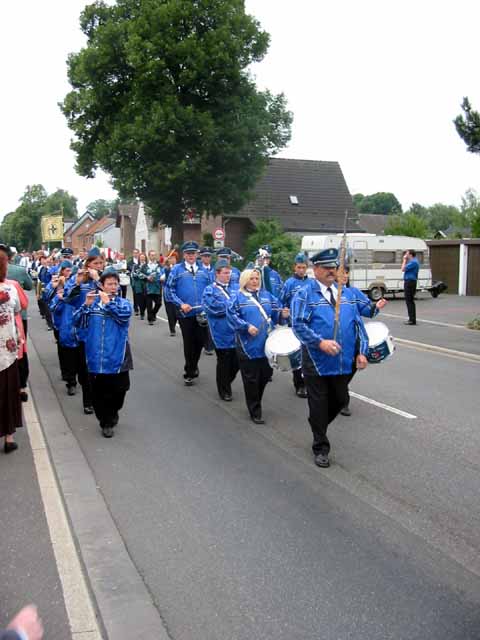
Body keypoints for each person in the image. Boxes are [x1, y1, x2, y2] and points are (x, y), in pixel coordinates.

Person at [291, 248, 369, 468]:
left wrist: (362, 351)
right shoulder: (304, 294)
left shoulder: (345, 294)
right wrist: (320, 342)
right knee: (318, 402)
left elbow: (358, 324)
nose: (331, 271)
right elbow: (298, 325)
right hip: (316, 360)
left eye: (333, 268)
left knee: (341, 399)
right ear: (315, 269)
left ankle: (318, 422)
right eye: (326, 268)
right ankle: (320, 447)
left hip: (342, 361)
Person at [73, 269, 133, 438]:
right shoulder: (92, 305)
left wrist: (108, 304)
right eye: (109, 284)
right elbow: (77, 321)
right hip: (96, 356)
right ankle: (105, 421)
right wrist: (86, 305)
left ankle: (114, 411)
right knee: (99, 393)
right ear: (101, 286)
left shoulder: (123, 303)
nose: (113, 287)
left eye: (115, 284)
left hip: (118, 354)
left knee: (120, 389)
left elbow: (123, 316)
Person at [227, 268, 289, 424]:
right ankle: (255, 409)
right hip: (248, 345)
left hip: (267, 344)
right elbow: (231, 315)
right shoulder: (238, 297)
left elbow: (277, 311)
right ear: (245, 280)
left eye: (257, 278)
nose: (255, 281)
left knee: (265, 375)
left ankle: (256, 400)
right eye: (252, 278)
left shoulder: (267, 295)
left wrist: (283, 314)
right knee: (251, 379)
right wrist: (246, 326)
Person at [337, 264, 387, 416]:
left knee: (347, 373)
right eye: (342, 273)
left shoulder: (353, 293)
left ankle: (341, 400)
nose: (345, 276)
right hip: (334, 342)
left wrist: (376, 306)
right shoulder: (327, 293)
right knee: (336, 375)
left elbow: (367, 311)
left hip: (353, 342)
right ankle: (341, 401)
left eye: (347, 273)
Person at [62, 247, 104, 414]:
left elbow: (114, 298)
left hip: (101, 329)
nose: (99, 266)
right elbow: (68, 299)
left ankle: (99, 398)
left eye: (101, 263)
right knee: (85, 369)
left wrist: (99, 280)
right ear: (88, 264)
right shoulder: (78, 278)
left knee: (99, 370)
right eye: (95, 263)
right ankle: (88, 401)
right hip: (83, 330)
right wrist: (78, 283)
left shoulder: (104, 278)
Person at [165, 241, 211, 385]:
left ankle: (193, 365)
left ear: (197, 254)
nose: (191, 256)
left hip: (202, 314)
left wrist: (208, 305)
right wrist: (181, 304)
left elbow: (211, 290)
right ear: (184, 255)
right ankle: (189, 371)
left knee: (199, 342)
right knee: (189, 343)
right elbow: (168, 290)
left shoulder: (205, 271)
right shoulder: (177, 270)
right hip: (186, 314)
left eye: (193, 253)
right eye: (188, 253)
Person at [202, 259, 239, 401]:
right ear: (217, 274)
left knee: (236, 362)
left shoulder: (236, 287)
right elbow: (213, 308)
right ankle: (224, 390)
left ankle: (225, 381)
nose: (228, 275)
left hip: (236, 331)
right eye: (225, 273)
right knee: (224, 361)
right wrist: (232, 307)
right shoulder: (210, 290)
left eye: (229, 273)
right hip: (220, 332)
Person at [279, 252, 312, 398]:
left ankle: (309, 382)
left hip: (310, 325)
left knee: (310, 355)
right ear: (295, 267)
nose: (301, 270)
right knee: (298, 355)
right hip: (295, 325)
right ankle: (299, 384)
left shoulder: (312, 283)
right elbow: (282, 301)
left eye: (304, 267)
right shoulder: (289, 283)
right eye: (299, 267)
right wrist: (284, 314)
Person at [0, 252, 22, 454]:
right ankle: (8, 437)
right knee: (7, 392)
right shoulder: (9, 289)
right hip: (6, 350)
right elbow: (17, 308)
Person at [141, 250, 163, 325]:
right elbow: (140, 274)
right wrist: (147, 277)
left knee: (159, 303)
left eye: (154, 255)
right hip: (148, 288)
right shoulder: (145, 266)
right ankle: (150, 319)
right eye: (151, 255)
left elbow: (162, 273)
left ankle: (153, 313)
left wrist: (161, 278)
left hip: (157, 287)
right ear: (149, 256)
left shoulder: (159, 265)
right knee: (149, 304)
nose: (153, 256)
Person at [161, 255, 178, 336]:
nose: (172, 260)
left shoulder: (179, 268)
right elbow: (160, 277)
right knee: (170, 312)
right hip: (167, 293)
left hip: (178, 294)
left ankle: (174, 324)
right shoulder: (165, 269)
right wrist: (162, 277)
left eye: (174, 258)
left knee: (176, 313)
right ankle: (172, 329)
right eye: (171, 258)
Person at [402, 249, 419, 325]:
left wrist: (404, 260)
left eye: (407, 253)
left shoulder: (413, 262)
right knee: (409, 301)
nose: (406, 254)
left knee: (409, 301)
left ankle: (412, 320)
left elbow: (403, 269)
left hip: (410, 282)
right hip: (410, 282)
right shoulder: (413, 261)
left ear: (411, 255)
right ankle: (411, 318)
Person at [130, 252, 148, 319]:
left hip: (146, 284)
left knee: (146, 299)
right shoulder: (135, 266)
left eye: (143, 257)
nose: (142, 259)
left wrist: (144, 276)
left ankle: (144, 309)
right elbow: (133, 275)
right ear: (139, 258)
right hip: (138, 285)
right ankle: (142, 313)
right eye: (141, 257)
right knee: (139, 299)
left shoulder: (147, 266)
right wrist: (136, 275)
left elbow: (148, 274)